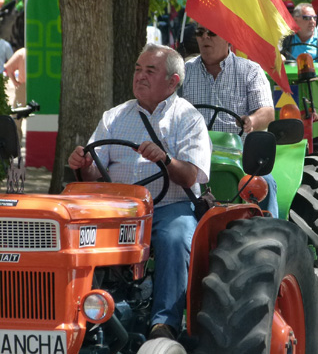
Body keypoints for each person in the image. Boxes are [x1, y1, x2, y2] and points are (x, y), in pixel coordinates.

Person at [68, 43, 211, 341]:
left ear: (173, 82)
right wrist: (82, 164)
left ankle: (164, 324)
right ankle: (78, 313)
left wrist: (165, 159)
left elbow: (191, 175)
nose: (140, 76)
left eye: (150, 70)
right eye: (137, 69)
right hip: (116, 210)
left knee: (176, 236)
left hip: (168, 207)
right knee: (71, 234)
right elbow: (94, 172)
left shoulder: (188, 119)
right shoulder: (114, 116)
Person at [178, 24, 279, 218]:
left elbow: (267, 112)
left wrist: (251, 120)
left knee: (263, 182)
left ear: (229, 38)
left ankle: (269, 232)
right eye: (200, 33)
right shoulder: (184, 72)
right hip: (192, 156)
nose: (205, 38)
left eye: (212, 32)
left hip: (240, 155)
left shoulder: (250, 71)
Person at [4, 47, 26, 140]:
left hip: (23, 86)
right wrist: (14, 81)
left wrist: (14, 81)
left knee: (17, 114)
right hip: (33, 85)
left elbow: (8, 67)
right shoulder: (23, 52)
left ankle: (16, 140)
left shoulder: (22, 52)